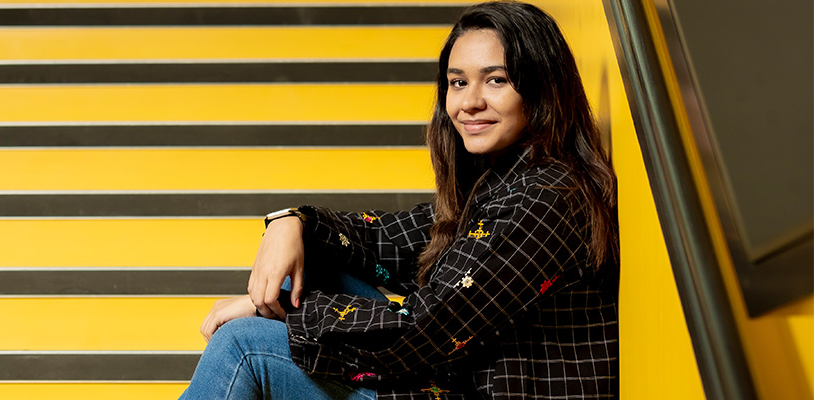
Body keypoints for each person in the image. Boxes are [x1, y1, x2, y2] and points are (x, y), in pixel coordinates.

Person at [177, 2, 621, 399]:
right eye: (458, 82)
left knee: (243, 345)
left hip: (467, 384)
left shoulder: (543, 200)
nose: (469, 102)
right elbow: (386, 240)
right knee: (318, 254)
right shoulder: (503, 180)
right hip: (454, 374)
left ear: (542, 88)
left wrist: (264, 310)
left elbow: (421, 330)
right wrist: (291, 222)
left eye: (497, 80)